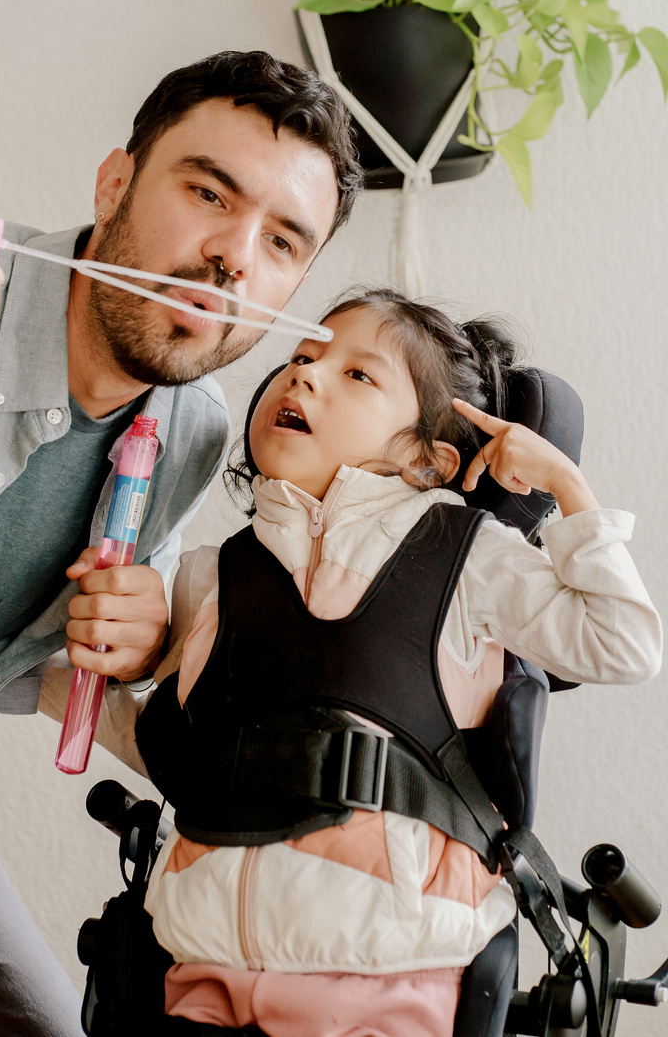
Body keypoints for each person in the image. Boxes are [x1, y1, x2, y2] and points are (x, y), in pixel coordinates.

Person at [0, 51, 363, 1037]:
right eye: (209, 192)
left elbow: (27, 657)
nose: (234, 256)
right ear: (115, 183)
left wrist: (141, 646)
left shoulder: (192, 434)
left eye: (283, 241)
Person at [114, 288, 661, 1037]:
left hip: (388, 974)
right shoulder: (216, 575)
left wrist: (567, 487)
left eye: (356, 375)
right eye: (303, 356)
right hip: (203, 965)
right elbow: (171, 750)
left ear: (426, 457)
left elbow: (622, 645)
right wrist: (124, 659)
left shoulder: (465, 557)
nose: (305, 375)